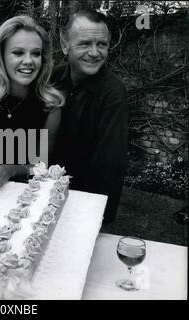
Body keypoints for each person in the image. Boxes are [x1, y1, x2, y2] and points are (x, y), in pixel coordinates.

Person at [0, 15, 65, 190]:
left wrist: (13, 169)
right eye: (18, 52)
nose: (28, 61)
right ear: (1, 56)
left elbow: (40, 168)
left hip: (20, 200)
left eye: (36, 53)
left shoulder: (51, 106)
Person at [51, 10, 129, 223]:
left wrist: (94, 218)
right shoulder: (51, 78)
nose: (95, 53)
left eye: (102, 44)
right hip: (43, 191)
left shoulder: (113, 92)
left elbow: (110, 163)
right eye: (85, 43)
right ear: (65, 44)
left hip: (81, 204)